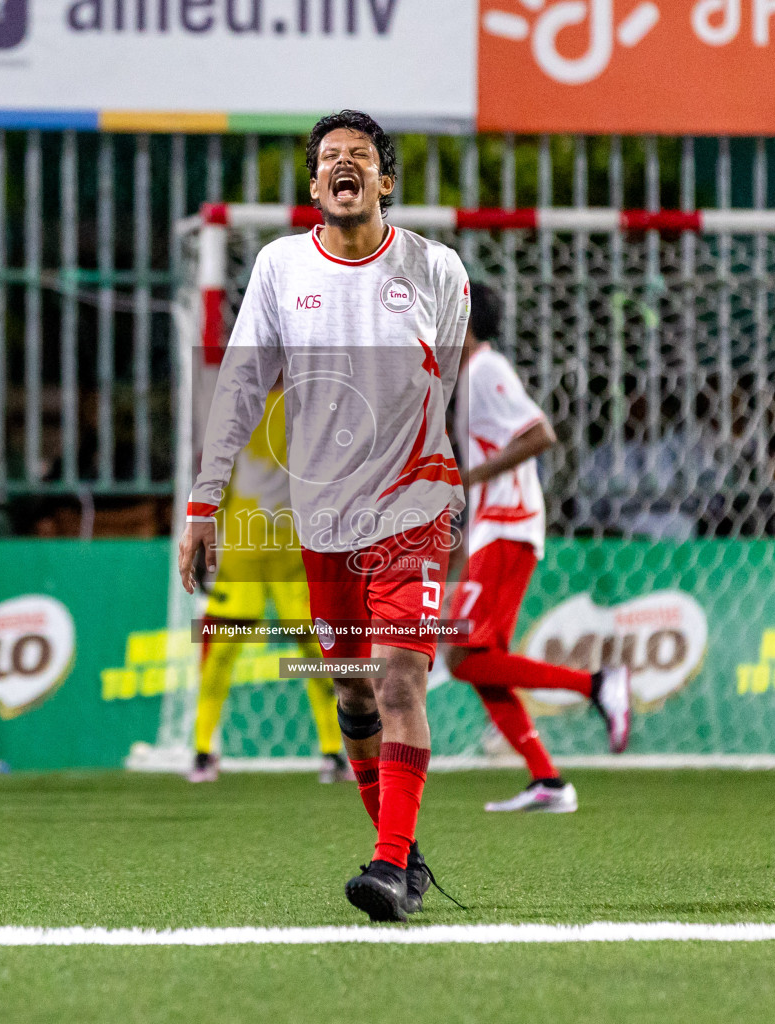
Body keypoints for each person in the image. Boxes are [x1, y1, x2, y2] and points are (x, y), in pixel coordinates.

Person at [179, 110, 465, 922]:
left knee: (401, 677)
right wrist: (204, 504)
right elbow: (239, 391)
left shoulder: (436, 268)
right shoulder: (277, 268)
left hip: (413, 505)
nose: (345, 165)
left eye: (361, 157)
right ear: (314, 186)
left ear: (385, 181)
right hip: (324, 521)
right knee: (352, 691)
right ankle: (403, 856)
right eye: (330, 158)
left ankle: (383, 868)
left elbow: (439, 384)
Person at [445, 281, 632, 814]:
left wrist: (469, 476)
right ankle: (547, 780)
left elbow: (539, 434)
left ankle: (597, 683)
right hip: (493, 529)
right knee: (480, 661)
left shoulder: (487, 370)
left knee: (463, 658)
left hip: (510, 526)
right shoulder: (470, 375)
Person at [188, 387, 352, 785]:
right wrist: (201, 529)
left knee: (319, 654)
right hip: (243, 553)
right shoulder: (234, 408)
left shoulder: (311, 404)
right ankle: (202, 751)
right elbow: (217, 474)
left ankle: (334, 753)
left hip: (293, 554)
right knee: (219, 654)